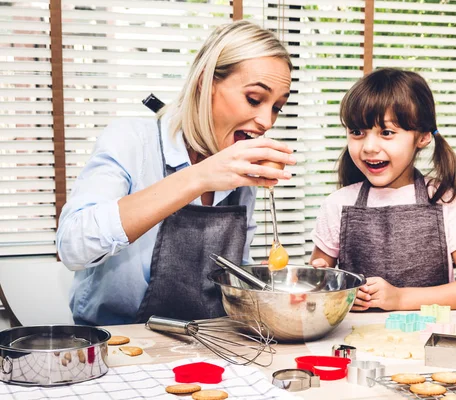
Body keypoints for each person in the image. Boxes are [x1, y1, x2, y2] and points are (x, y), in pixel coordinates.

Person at [57, 21, 296, 325]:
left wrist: (258, 285)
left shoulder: (240, 173)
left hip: (208, 340)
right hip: (120, 342)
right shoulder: (131, 141)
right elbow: (73, 247)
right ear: (205, 84)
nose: (266, 121)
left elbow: (230, 269)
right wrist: (199, 177)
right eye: (254, 99)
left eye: (277, 107)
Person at [310, 68, 456, 311]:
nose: (369, 147)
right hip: (357, 339)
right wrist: (324, 287)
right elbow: (318, 286)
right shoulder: (336, 205)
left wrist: (399, 299)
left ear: (423, 137)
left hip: (426, 338)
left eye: (386, 133)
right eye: (357, 132)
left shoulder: (446, 202)